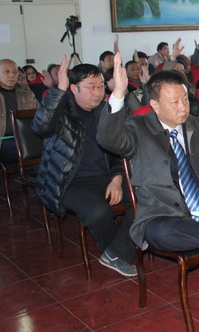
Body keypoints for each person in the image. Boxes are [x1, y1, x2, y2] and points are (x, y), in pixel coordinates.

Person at [96, 52, 199, 260]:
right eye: (174, 102)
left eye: (185, 99)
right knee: (164, 232)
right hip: (163, 216)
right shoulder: (138, 129)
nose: (183, 107)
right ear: (155, 106)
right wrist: (119, 94)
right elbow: (108, 139)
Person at [32, 56, 135, 276]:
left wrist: (117, 178)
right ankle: (117, 251)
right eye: (90, 87)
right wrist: (58, 90)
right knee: (99, 212)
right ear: (73, 88)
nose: (97, 92)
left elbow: (121, 150)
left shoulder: (105, 111)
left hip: (106, 177)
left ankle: (116, 251)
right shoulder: (61, 111)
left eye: (100, 86)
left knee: (145, 198)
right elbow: (41, 126)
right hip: (68, 180)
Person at [0, 59, 39, 165]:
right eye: (6, 72)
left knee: (54, 144)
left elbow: (39, 116)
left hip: (25, 138)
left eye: (15, 72)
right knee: (34, 148)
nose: (12, 75)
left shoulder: (26, 93)